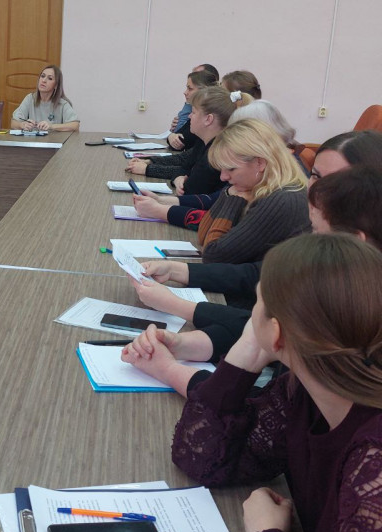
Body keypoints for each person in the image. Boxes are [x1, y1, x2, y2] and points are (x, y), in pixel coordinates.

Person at [167, 234, 382, 532]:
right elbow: (202, 458)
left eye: (258, 302)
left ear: (277, 331)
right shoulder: (304, 392)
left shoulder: (374, 454)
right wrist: (247, 353)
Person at [124, 165, 382, 386]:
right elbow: (262, 329)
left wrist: (170, 370)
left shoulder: (348, 308)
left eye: (315, 230)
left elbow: (265, 410)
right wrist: (187, 344)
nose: (309, 184)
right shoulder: (344, 284)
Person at [136, 128, 382, 310]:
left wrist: (180, 303)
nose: (316, 189)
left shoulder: (283, 199)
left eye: (335, 181)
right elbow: (259, 271)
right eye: (315, 176)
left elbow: (215, 254)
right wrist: (177, 270)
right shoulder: (265, 189)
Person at [134, 100, 303, 225]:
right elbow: (214, 200)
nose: (223, 177)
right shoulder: (253, 167)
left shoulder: (276, 185)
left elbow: (221, 229)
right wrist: (162, 201)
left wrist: (162, 210)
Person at [194, 118, 310, 264]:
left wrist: (233, 201)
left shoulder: (281, 200)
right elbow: (203, 236)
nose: (223, 177)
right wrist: (229, 193)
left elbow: (213, 256)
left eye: (231, 169)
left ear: (260, 163)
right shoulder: (259, 188)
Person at [126, 86, 249, 196]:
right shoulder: (203, 142)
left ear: (208, 119)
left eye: (193, 112)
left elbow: (190, 189)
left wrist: (149, 169)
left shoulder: (217, 153)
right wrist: (176, 178)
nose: (189, 116)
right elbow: (184, 167)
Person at [11, 65, 80, 132]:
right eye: (42, 76)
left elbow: (75, 125)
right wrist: (22, 125)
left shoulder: (62, 103)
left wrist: (51, 126)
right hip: (33, 139)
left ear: (56, 85)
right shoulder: (30, 98)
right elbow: (13, 123)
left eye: (50, 78)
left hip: (55, 139)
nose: (44, 80)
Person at [168, 66, 219, 150]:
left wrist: (171, 136)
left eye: (190, 89)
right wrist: (171, 136)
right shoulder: (196, 110)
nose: (185, 92)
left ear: (203, 90)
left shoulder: (205, 113)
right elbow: (176, 135)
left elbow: (180, 142)